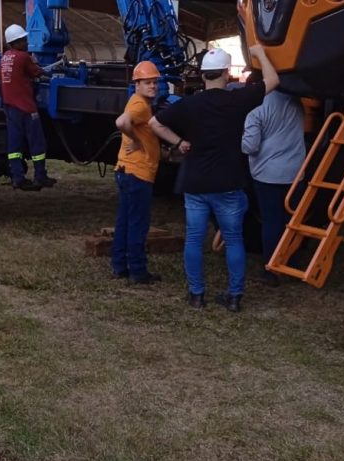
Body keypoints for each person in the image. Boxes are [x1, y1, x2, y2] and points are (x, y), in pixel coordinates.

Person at [149, 44, 279, 312]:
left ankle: (196, 295)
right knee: (233, 239)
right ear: (226, 74)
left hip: (195, 183)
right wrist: (260, 53)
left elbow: (154, 123)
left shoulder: (189, 104)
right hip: (228, 182)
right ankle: (234, 297)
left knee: (194, 239)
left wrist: (180, 142)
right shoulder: (238, 100)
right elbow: (273, 80)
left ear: (203, 74)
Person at [242, 88, 306, 285]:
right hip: (296, 173)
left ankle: (271, 270)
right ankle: (292, 265)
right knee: (292, 222)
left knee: (271, 222)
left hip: (267, 175)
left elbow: (249, 147)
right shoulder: (296, 102)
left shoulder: (256, 110)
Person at [111, 61, 163, 285]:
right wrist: (136, 140)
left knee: (124, 221)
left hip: (124, 170)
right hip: (138, 173)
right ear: (137, 84)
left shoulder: (135, 101)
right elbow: (121, 122)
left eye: (154, 82)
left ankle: (119, 266)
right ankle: (138, 272)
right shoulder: (141, 106)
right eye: (147, 83)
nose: (153, 86)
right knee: (138, 224)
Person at [0, 24, 57, 191]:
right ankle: (40, 176)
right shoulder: (23, 57)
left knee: (14, 145)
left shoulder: (4, 58)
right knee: (37, 143)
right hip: (26, 108)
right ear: (15, 42)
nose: (26, 42)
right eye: (23, 40)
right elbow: (37, 72)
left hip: (10, 107)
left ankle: (17, 178)